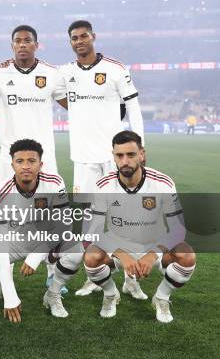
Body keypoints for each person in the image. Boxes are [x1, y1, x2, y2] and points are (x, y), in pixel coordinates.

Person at [62, 20, 146, 298]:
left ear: (93, 37)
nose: (79, 41)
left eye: (83, 36)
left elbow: (132, 104)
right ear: (70, 42)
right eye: (74, 38)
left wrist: (139, 145)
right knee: (89, 220)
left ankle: (131, 279)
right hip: (83, 158)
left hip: (115, 157)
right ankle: (94, 276)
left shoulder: (115, 68)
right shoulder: (66, 73)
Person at [83, 131, 195, 323]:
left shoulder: (162, 183)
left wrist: (153, 254)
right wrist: (121, 253)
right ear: (114, 156)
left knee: (187, 255)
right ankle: (110, 294)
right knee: (91, 256)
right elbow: (93, 230)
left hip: (154, 246)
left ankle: (161, 298)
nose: (125, 160)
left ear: (141, 154)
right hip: (118, 247)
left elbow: (178, 229)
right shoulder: (103, 185)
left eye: (131, 154)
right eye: (119, 155)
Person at [0, 139, 83, 322]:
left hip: (47, 238)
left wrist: (38, 254)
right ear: (12, 164)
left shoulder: (54, 182)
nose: (26, 166)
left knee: (75, 252)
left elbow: (64, 224)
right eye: (20, 161)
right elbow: (1, 245)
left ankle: (52, 295)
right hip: (14, 241)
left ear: (41, 164)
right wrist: (10, 295)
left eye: (32, 161)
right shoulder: (0, 194)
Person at [0, 25, 68, 183]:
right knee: (8, 205)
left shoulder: (52, 74)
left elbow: (71, 105)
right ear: (12, 45)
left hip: (43, 153)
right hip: (10, 153)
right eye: (18, 41)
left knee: (46, 204)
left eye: (27, 41)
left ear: (36, 45)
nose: (22, 44)